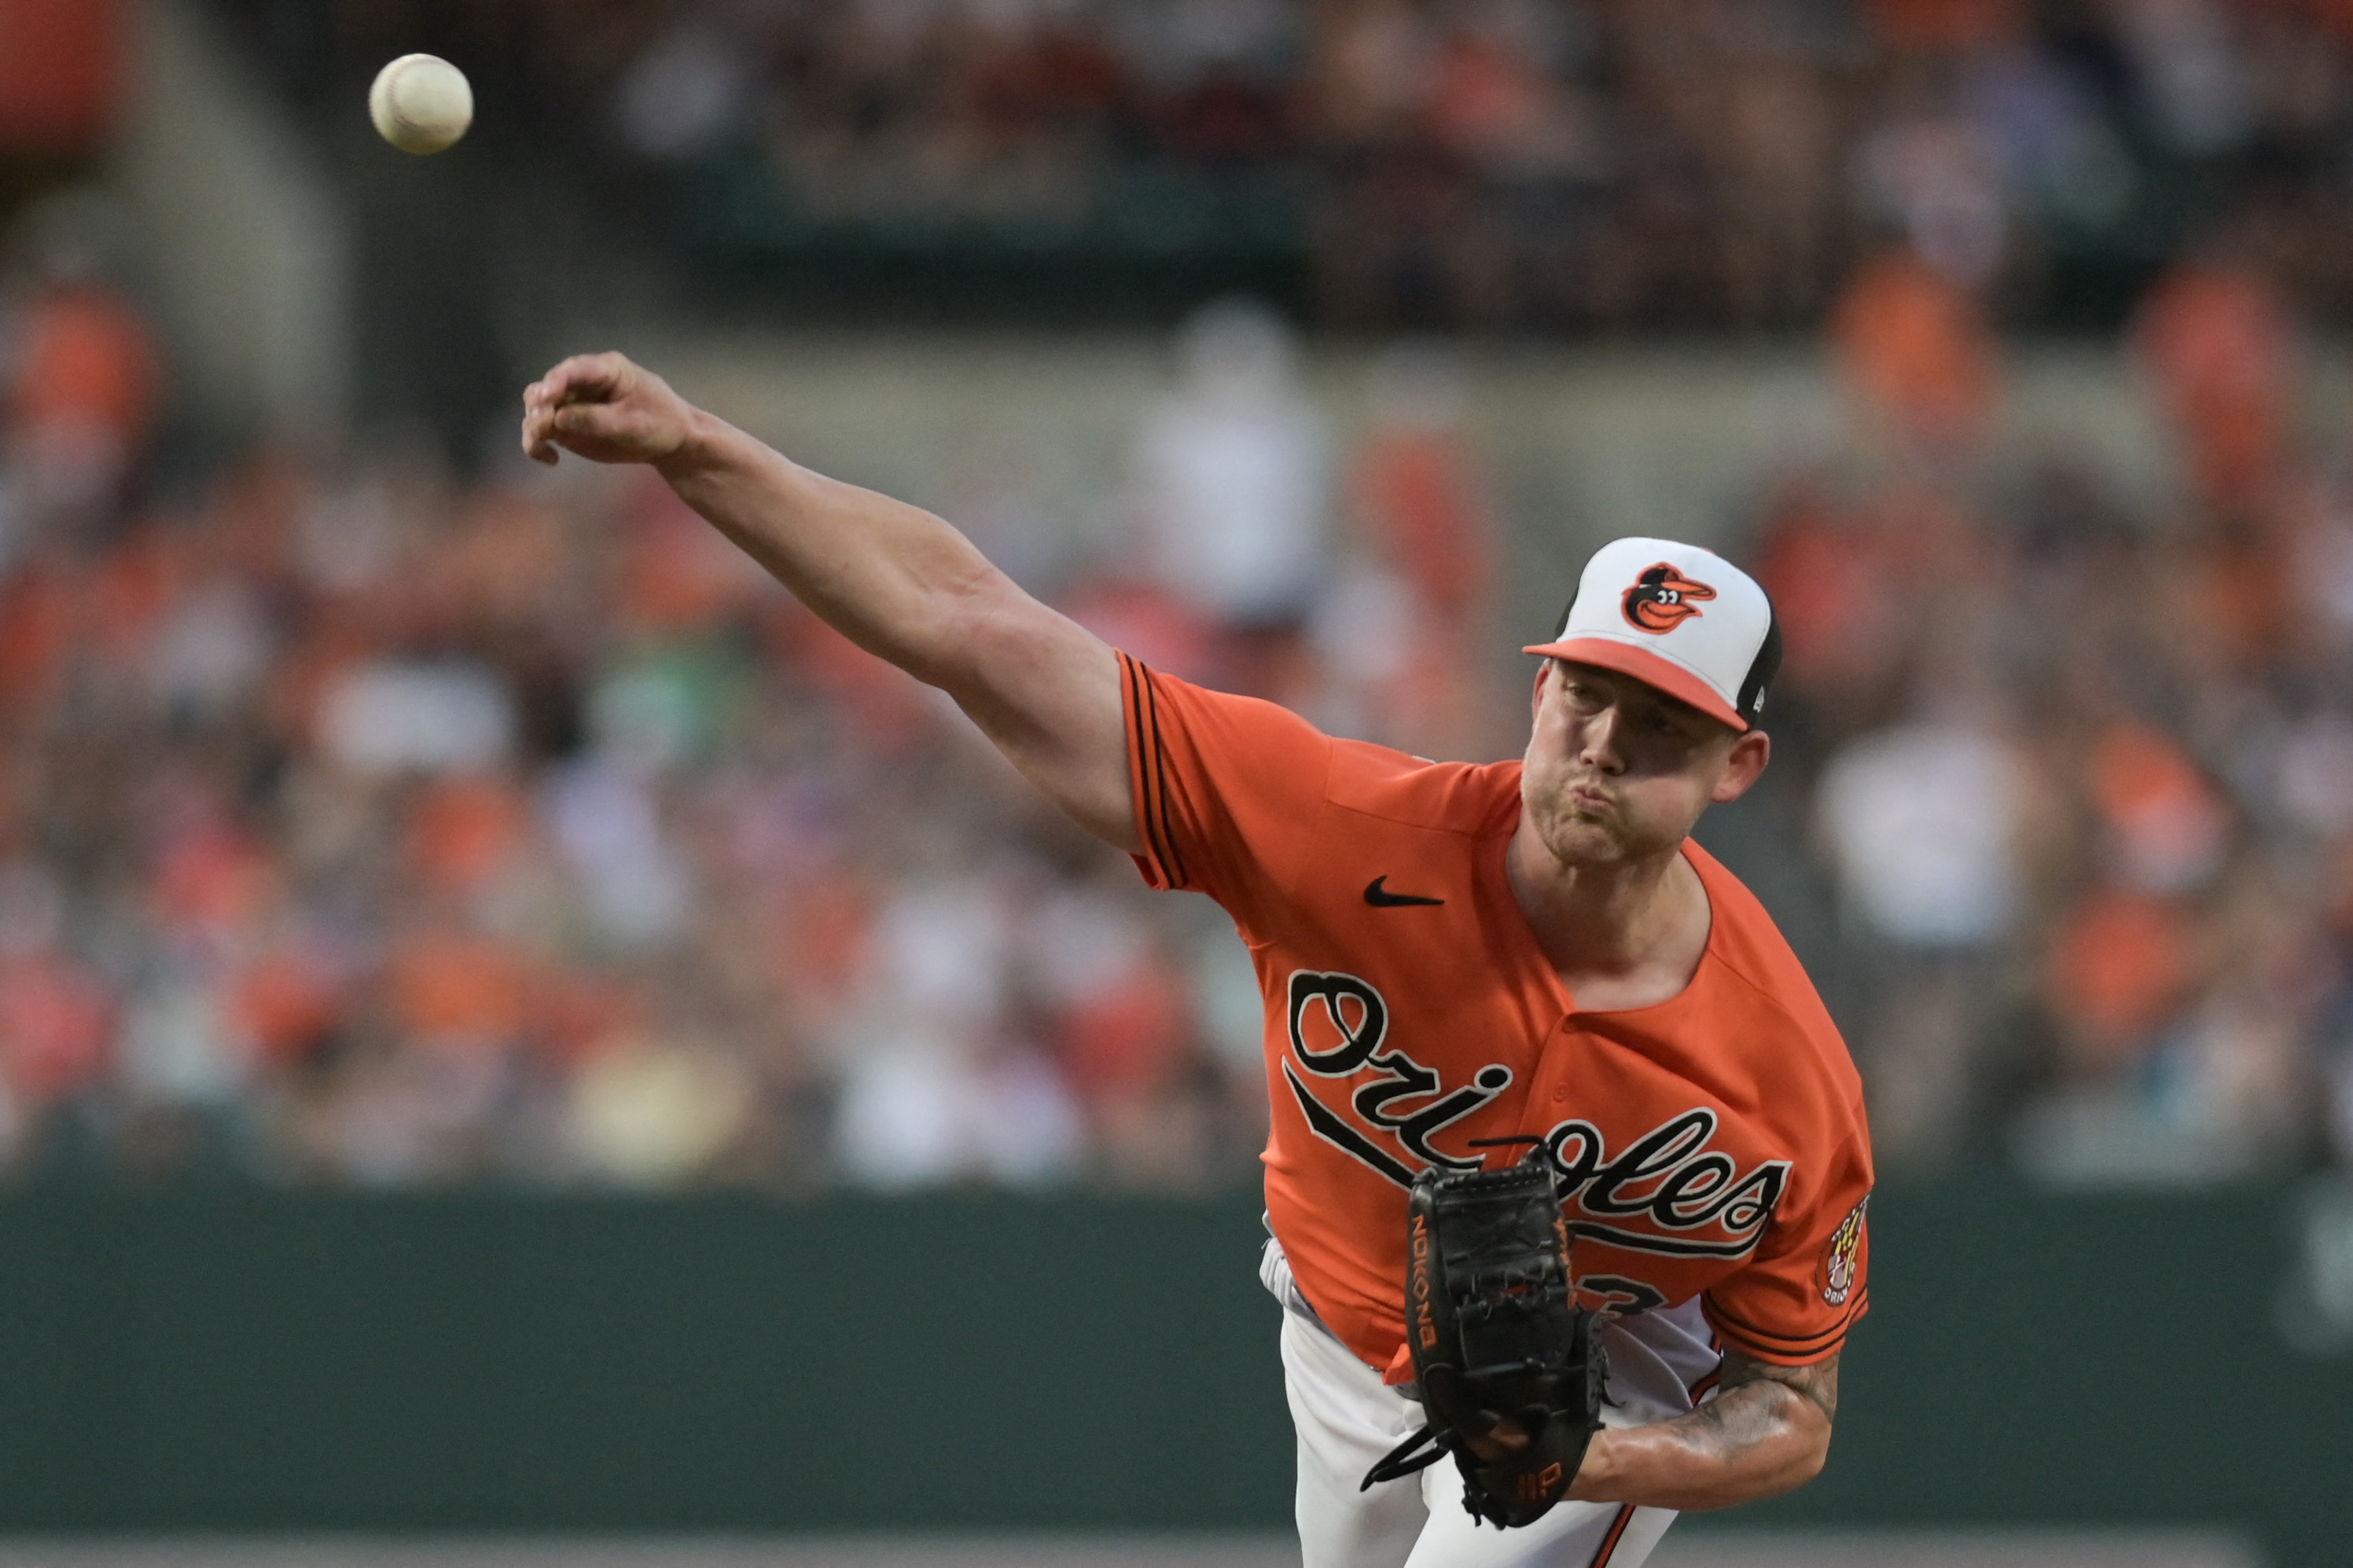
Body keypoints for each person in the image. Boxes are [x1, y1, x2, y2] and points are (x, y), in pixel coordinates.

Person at [519, 352, 1873, 1568]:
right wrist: (699, 449)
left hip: (1608, 1374)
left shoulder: (1781, 1073)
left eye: (1661, 723)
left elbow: (1790, 1410)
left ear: (1737, 765)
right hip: (1340, 1325)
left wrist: (1591, 1455)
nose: (1601, 746)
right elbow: (970, 621)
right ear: (1539, 689)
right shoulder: (1338, 832)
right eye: (1587, 694)